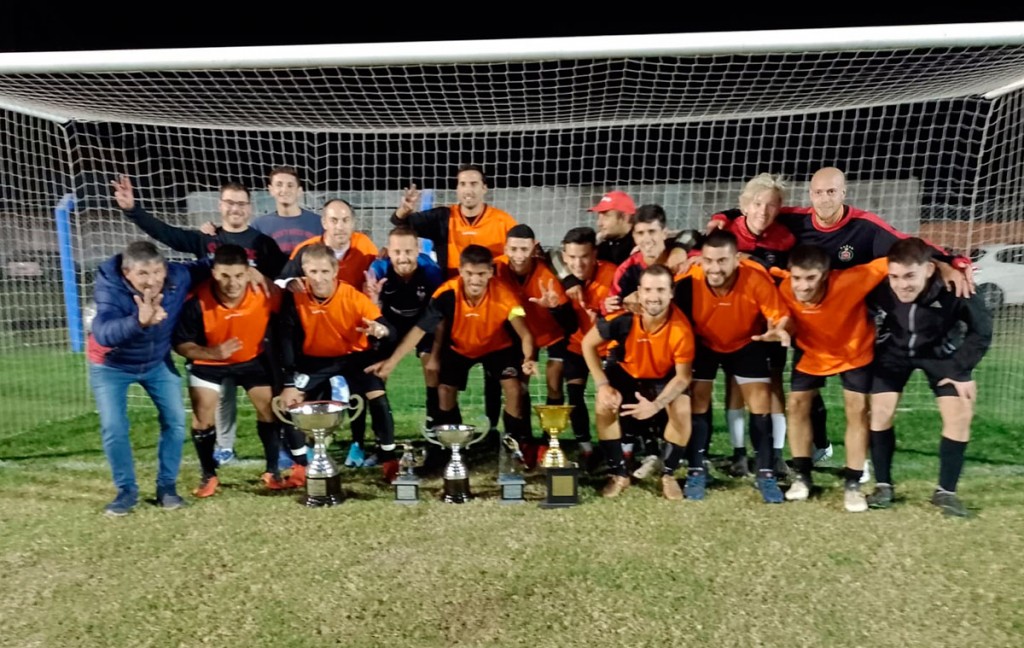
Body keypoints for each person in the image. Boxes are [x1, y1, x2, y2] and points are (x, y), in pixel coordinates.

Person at [709, 166, 975, 464]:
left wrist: (949, 261)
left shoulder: (865, 227)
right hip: (808, 323)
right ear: (810, 195)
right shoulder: (794, 219)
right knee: (804, 395)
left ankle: (859, 466)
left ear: (843, 193)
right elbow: (750, 208)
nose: (824, 199)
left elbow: (906, 244)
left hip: (853, 329)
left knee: (855, 403)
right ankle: (818, 446)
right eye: (818, 193)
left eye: (831, 192)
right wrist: (720, 217)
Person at [112, 176, 288, 466]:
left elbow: (283, 277)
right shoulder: (206, 239)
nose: (235, 208)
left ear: (250, 208)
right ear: (220, 205)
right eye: (230, 202)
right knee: (221, 396)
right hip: (210, 330)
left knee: (267, 396)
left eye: (241, 203)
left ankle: (279, 448)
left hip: (253, 333)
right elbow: (167, 234)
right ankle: (225, 446)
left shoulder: (263, 243)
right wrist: (133, 210)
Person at [366, 245, 538, 454]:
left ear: (490, 272)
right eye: (470, 273)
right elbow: (419, 330)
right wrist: (391, 363)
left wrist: (529, 358)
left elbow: (525, 334)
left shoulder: (505, 295)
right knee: (445, 391)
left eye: (481, 274)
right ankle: (454, 447)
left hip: (497, 347)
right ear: (461, 271)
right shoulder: (446, 293)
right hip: (459, 347)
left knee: (514, 389)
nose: (475, 280)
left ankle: (513, 443)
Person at [865, 237, 992, 517]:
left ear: (929, 269)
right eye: (895, 277)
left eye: (910, 276)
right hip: (893, 352)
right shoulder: (880, 287)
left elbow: (981, 330)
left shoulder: (955, 287)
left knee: (960, 412)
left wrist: (961, 369)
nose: (902, 284)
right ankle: (883, 486)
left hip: (941, 355)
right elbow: (861, 310)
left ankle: (946, 492)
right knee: (879, 412)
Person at [390, 164, 518, 434]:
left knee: (497, 375)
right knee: (443, 374)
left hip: (492, 306)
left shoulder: (503, 221)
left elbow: (522, 251)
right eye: (462, 184)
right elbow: (401, 225)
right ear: (457, 189)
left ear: (484, 188)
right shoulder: (443, 217)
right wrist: (404, 209)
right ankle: (449, 433)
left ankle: (496, 431)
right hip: (452, 308)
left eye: (474, 184)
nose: (468, 190)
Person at [87, 241, 209, 515]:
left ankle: (167, 488)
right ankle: (126, 491)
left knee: (175, 421)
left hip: (156, 362)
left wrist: (251, 269)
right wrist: (138, 321)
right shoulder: (110, 287)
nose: (152, 281)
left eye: (157, 272)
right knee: (114, 427)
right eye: (143, 273)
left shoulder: (178, 276)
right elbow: (103, 333)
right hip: (111, 365)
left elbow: (211, 265)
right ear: (127, 272)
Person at [172, 245, 304, 498]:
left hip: (251, 360)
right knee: (202, 415)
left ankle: (273, 472)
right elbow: (181, 344)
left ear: (248, 272)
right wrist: (213, 353)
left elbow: (295, 304)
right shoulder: (197, 301)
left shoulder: (264, 292)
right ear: (214, 273)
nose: (232, 283)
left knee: (270, 408)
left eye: (239, 275)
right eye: (224, 275)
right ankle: (208, 475)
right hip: (209, 363)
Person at [767, 245, 889, 512]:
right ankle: (802, 476)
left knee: (857, 409)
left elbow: (894, 260)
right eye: (797, 278)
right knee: (796, 405)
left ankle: (853, 484)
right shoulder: (785, 286)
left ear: (825, 275)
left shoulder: (851, 280)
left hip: (854, 352)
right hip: (813, 353)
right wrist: (781, 328)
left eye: (811, 278)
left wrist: (947, 263)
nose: (803, 286)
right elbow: (761, 270)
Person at [673, 229, 791, 503]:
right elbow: (660, 297)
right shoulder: (689, 279)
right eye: (709, 260)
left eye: (722, 261)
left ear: (737, 259)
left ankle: (765, 473)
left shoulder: (756, 278)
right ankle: (696, 470)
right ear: (700, 259)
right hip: (703, 343)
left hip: (746, 342)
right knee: (698, 399)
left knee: (760, 400)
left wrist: (779, 328)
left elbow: (779, 315)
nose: (714, 268)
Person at [277, 243, 400, 482]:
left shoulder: (352, 296)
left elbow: (389, 330)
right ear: (304, 272)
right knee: (291, 401)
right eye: (313, 272)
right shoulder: (295, 297)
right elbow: (286, 340)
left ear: (335, 271)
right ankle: (300, 466)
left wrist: (381, 330)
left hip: (354, 357)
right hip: (315, 360)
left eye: (324, 271)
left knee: (377, 395)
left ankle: (389, 460)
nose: (319, 278)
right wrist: (289, 381)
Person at [582, 265, 697, 500]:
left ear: (671, 293)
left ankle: (668, 475)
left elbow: (683, 377)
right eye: (648, 290)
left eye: (660, 290)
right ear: (639, 291)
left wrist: (656, 405)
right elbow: (587, 344)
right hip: (625, 370)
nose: (653, 297)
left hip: (663, 375)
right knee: (605, 404)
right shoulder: (623, 316)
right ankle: (618, 474)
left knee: (682, 409)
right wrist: (602, 385)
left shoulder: (681, 329)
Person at [711, 173, 795, 477]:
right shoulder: (725, 233)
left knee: (774, 383)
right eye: (758, 204)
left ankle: (777, 454)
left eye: (771, 205)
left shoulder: (785, 239)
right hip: (734, 321)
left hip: (769, 323)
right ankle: (738, 454)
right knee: (734, 383)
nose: (763, 211)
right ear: (744, 205)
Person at [363, 226, 445, 433]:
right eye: (397, 252)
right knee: (376, 372)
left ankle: (433, 424)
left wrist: (436, 354)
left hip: (423, 321)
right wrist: (373, 299)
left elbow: (438, 317)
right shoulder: (379, 269)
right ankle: (382, 432)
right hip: (391, 324)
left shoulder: (431, 272)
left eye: (408, 251)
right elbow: (370, 310)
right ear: (388, 251)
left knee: (432, 367)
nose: (403, 258)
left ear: (418, 250)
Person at [494, 224, 577, 422]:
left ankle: (551, 434)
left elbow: (570, 323)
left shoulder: (547, 275)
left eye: (524, 249)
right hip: (522, 334)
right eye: (513, 249)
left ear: (534, 247)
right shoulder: (496, 269)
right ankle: (523, 436)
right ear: (505, 249)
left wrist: (554, 307)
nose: (519, 255)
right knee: (520, 385)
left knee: (554, 383)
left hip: (553, 333)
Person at [558, 227, 618, 463]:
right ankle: (585, 448)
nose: (578, 263)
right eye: (572, 257)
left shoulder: (612, 274)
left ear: (594, 255)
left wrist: (602, 314)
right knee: (574, 393)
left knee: (612, 396)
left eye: (584, 256)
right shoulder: (561, 278)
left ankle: (618, 448)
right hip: (577, 344)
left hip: (608, 346)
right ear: (565, 257)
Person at [279, 198, 378, 291]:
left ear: (352, 222)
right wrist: (289, 282)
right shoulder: (306, 249)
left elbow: (380, 274)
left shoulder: (365, 245)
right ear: (324, 223)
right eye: (334, 221)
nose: (340, 227)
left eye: (345, 220)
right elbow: (281, 280)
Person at [251, 165, 324, 254]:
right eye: (279, 185)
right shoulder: (259, 225)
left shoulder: (319, 223)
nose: (284, 190)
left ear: (299, 191)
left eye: (290, 185)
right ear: (271, 190)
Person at [590, 190, 638, 266]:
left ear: (625, 217)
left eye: (606, 216)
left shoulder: (641, 247)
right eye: (599, 217)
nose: (599, 223)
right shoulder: (601, 247)